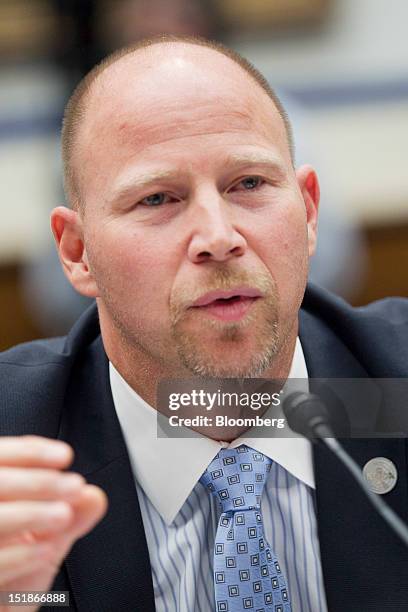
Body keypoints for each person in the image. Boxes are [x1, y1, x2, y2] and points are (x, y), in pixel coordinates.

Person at [0, 34, 407, 612]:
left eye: (249, 184)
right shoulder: (14, 437)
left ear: (309, 210)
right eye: (158, 199)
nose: (218, 238)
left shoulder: (394, 383)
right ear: (77, 252)